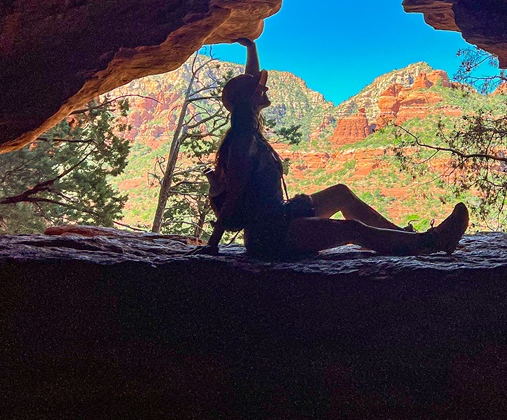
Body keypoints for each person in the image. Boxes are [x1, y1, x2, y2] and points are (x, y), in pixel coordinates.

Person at [198, 37, 469, 259]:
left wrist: (251, 47)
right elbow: (233, 196)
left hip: (281, 216)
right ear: (249, 101)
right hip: (271, 234)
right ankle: (430, 243)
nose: (265, 90)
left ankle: (405, 238)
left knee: (340, 193)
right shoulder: (244, 142)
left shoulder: (249, 132)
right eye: (259, 89)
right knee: (352, 230)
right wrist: (212, 243)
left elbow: (251, 79)